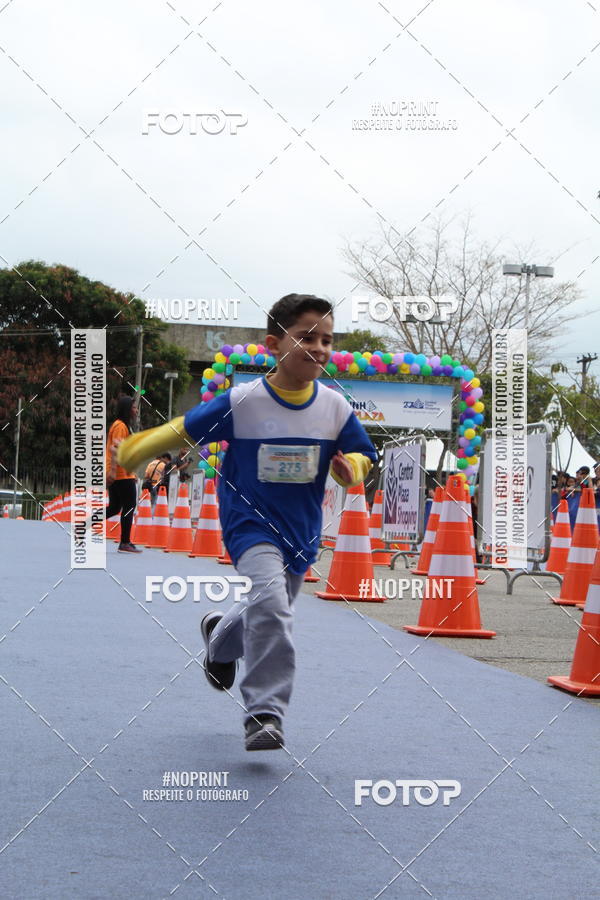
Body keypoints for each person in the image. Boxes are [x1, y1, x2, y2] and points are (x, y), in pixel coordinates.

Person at [116, 293, 377, 750]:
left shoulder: (334, 407)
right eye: (306, 337)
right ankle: (264, 713)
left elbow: (365, 456)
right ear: (275, 344)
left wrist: (350, 468)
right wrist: (137, 448)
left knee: (270, 605)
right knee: (273, 606)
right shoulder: (245, 401)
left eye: (326, 340)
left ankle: (219, 635)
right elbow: (188, 426)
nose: (318, 347)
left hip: (301, 532)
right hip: (249, 524)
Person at [105, 394, 142, 553]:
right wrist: (113, 472)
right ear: (127, 409)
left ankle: (82, 526)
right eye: (134, 407)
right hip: (121, 474)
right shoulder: (121, 426)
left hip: (121, 472)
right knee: (129, 506)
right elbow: (115, 448)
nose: (136, 410)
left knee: (114, 508)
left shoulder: (121, 425)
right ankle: (125, 542)